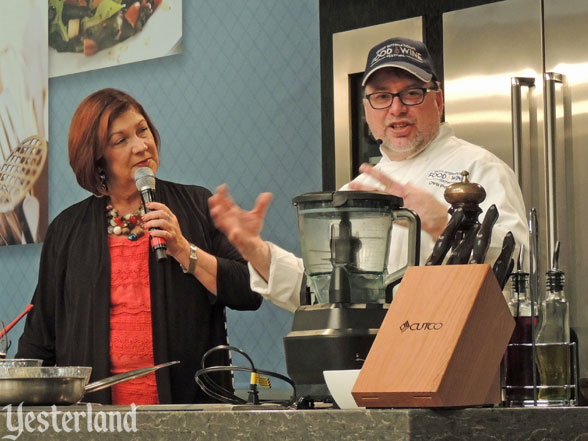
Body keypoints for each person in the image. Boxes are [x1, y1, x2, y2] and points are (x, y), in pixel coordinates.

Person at [208, 37, 528, 312]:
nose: (397, 108)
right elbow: (322, 294)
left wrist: (443, 223)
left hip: (461, 359)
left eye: (412, 93)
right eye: (382, 96)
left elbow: (524, 273)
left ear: (439, 100)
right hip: (371, 360)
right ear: (366, 111)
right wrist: (255, 250)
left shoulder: (481, 168)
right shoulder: (357, 191)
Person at [16, 88, 263, 405]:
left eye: (142, 130)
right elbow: (40, 338)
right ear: (96, 159)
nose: (141, 145)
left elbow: (250, 290)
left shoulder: (197, 205)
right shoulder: (67, 230)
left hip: (189, 417)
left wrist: (184, 250)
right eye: (120, 141)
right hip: (92, 421)